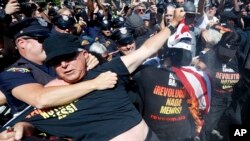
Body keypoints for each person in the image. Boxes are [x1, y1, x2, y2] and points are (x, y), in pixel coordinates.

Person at [0, 15, 176, 140]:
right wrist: (24, 127)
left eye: (69, 57)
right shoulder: (20, 76)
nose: (64, 65)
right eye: (56, 61)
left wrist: (174, 24)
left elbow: (146, 50)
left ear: (83, 55)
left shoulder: (104, 70)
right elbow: (39, 106)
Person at [0, 17, 117, 117]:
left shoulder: (57, 62)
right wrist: (95, 83)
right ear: (22, 43)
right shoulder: (14, 73)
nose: (49, 44)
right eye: (43, 39)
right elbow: (40, 99)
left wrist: (88, 60)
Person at [135, 20, 211, 141]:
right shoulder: (197, 77)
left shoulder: (145, 73)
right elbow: (202, 109)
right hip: (181, 135)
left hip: (152, 135)